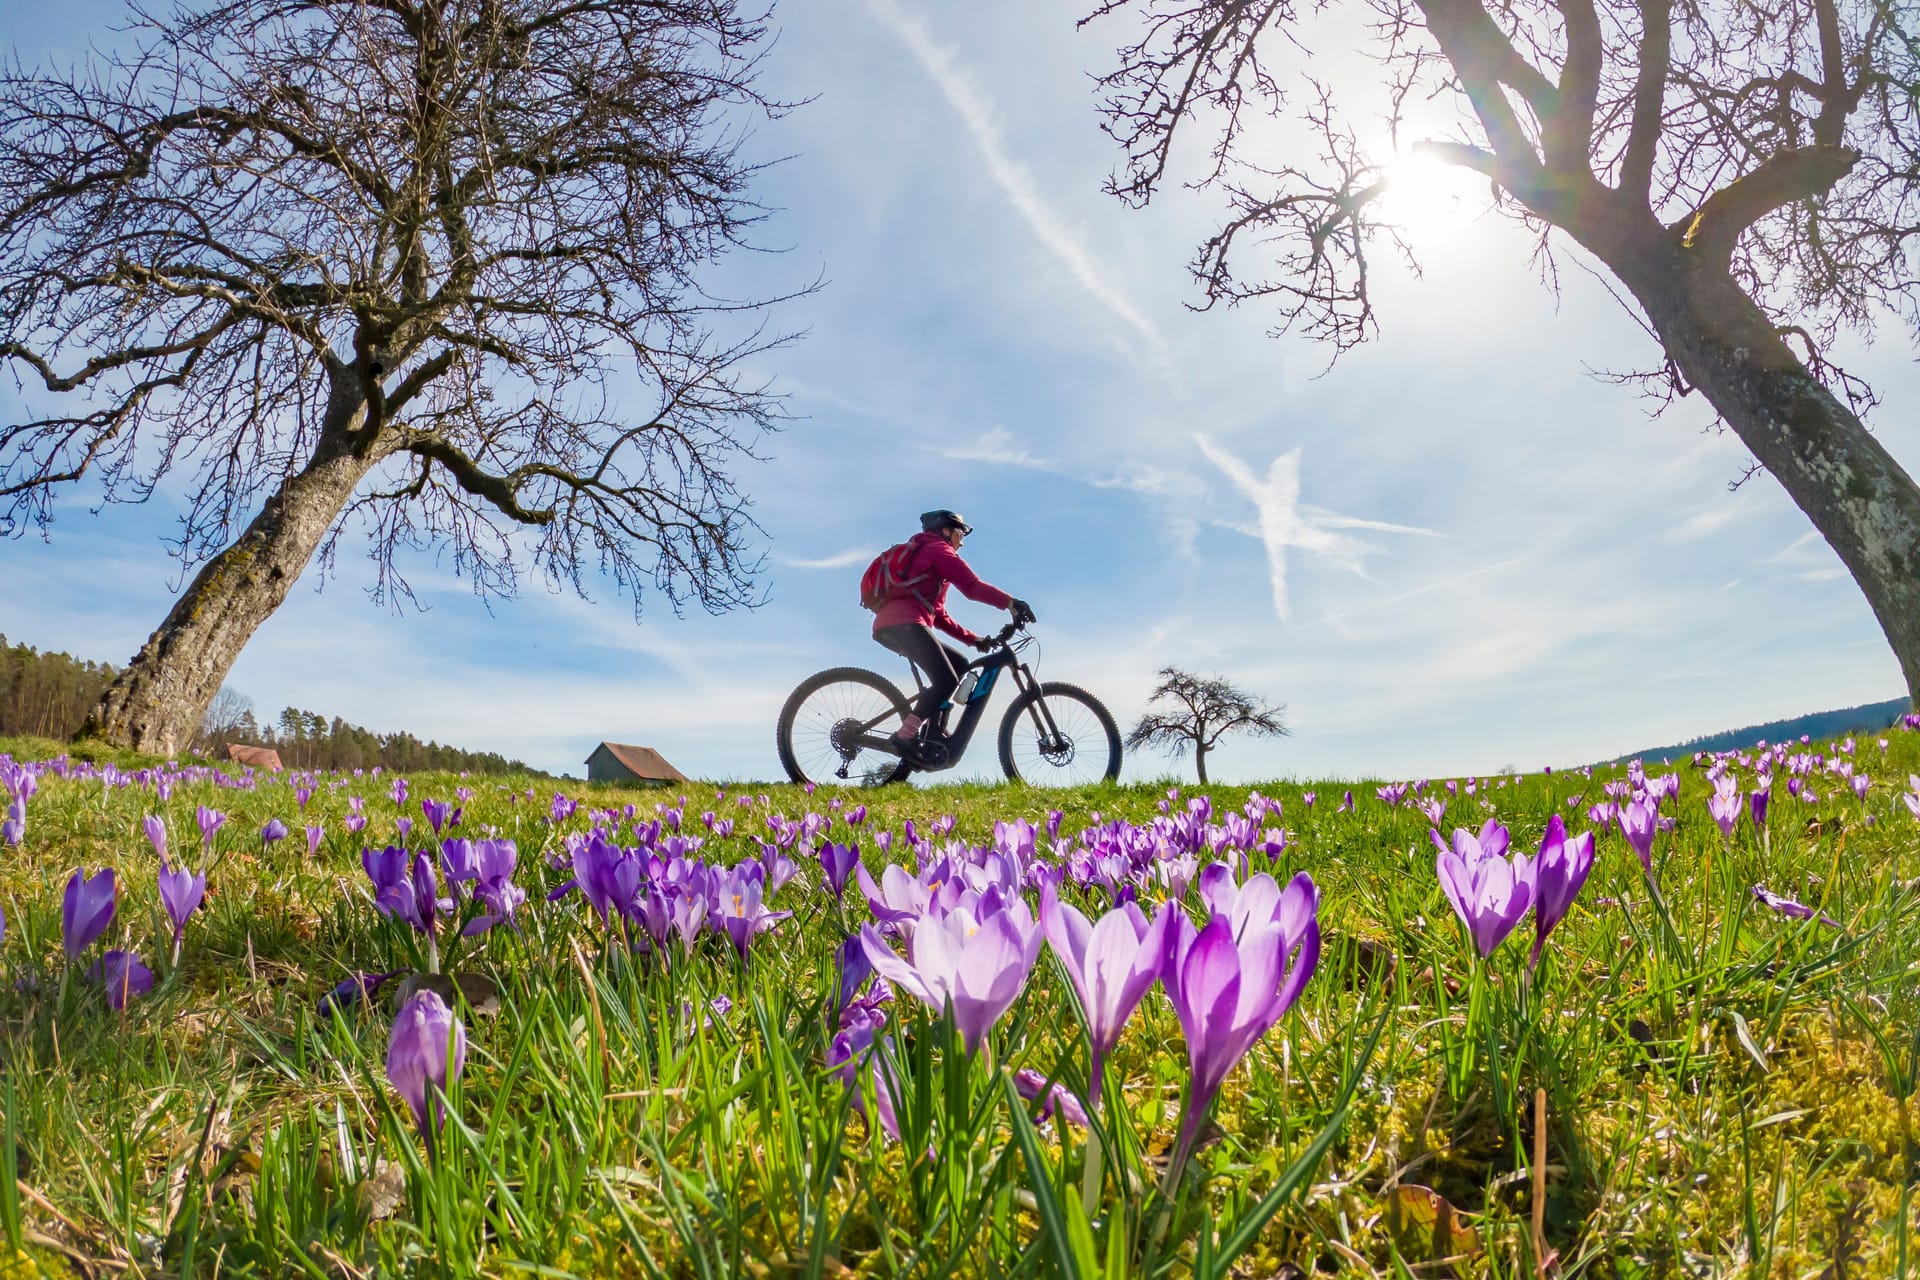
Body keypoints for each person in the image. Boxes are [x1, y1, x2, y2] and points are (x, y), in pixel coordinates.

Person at [871, 509, 1034, 748]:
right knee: (946, 680)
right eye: (960, 533)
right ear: (945, 531)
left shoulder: (924, 556)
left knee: (958, 665)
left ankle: (933, 732)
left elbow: (938, 615)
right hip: (905, 624)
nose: (961, 542)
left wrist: (974, 640)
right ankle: (904, 737)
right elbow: (972, 586)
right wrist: (1011, 603)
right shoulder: (939, 550)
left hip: (894, 625)